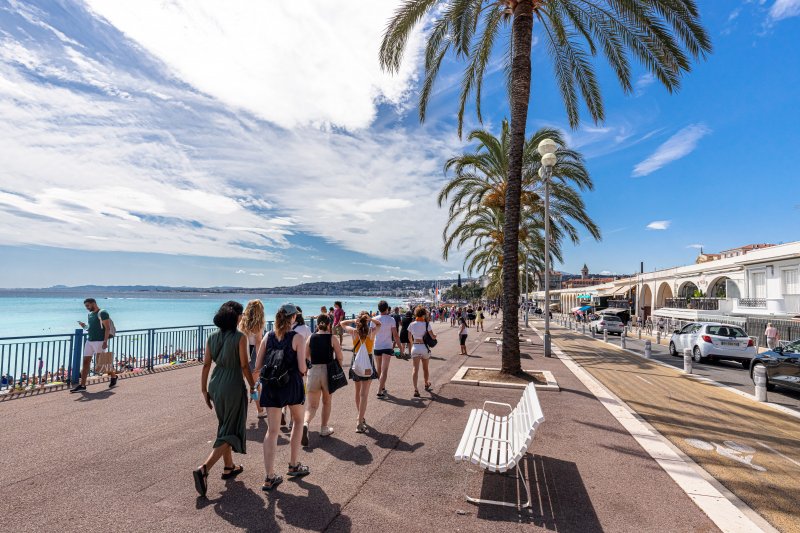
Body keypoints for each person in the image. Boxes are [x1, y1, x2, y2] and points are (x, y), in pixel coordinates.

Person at [193, 301, 257, 498]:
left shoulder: (211, 337)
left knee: (224, 425)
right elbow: (245, 365)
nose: (242, 318)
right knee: (232, 427)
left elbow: (205, 365)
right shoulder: (240, 337)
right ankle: (204, 468)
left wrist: (204, 390)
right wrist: (253, 386)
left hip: (215, 383)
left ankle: (229, 467)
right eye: (241, 315)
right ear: (236, 317)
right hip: (232, 384)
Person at [254, 303, 309, 492]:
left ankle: (269, 476)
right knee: (298, 421)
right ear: (293, 318)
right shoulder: (298, 338)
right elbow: (302, 368)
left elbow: (258, 364)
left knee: (273, 430)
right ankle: (294, 464)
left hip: (272, 386)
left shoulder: (268, 337)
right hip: (292, 385)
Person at [302, 314, 344, 445]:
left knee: (312, 406)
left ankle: (305, 424)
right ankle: (324, 428)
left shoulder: (311, 338)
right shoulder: (332, 338)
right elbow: (340, 356)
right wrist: (338, 368)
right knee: (326, 402)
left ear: (317, 324)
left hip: (313, 372)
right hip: (327, 371)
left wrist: (306, 371)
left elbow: (306, 357)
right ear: (329, 324)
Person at [340, 313, 381, 433]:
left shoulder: (354, 332)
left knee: (357, 392)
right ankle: (359, 420)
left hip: (356, 361)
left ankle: (360, 416)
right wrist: (371, 319)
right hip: (367, 361)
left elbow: (342, 323)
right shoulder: (371, 332)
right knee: (364, 394)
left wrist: (354, 320)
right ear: (367, 321)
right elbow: (379, 324)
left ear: (358, 322)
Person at [71, 298, 116, 393]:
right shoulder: (90, 314)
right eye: (85, 306)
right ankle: (82, 385)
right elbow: (89, 328)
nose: (87, 308)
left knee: (101, 365)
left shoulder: (103, 312)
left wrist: (105, 341)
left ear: (94, 303)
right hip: (89, 341)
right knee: (85, 362)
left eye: (88, 306)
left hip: (99, 341)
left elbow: (107, 328)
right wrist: (84, 326)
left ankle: (113, 375)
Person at [239, 300, 266, 418]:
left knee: (239, 382)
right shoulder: (258, 324)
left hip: (241, 351)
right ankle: (260, 409)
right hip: (253, 352)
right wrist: (260, 360)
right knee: (255, 385)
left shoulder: (242, 322)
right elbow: (259, 342)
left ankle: (238, 409)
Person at [374, 300, 402, 399]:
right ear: (387, 309)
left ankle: (382, 386)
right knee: (384, 370)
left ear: (379, 309)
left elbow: (371, 335)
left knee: (379, 368)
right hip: (387, 346)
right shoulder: (391, 319)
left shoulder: (374, 319)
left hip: (377, 346)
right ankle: (379, 390)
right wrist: (401, 348)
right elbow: (395, 335)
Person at [407, 306, 437, 398]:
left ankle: (416, 389)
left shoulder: (412, 324)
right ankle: (426, 383)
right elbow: (433, 337)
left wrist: (413, 345)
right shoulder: (427, 324)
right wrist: (436, 335)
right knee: (425, 368)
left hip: (415, 346)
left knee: (415, 369)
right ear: (424, 314)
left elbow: (409, 338)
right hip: (424, 347)